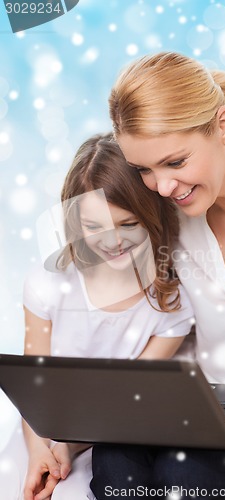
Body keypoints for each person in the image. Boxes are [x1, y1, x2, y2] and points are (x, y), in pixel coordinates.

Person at [90, 52, 225, 499]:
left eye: (175, 162)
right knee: (115, 459)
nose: (162, 187)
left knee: (189, 470)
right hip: (203, 411)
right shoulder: (170, 217)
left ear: (224, 125)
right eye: (144, 170)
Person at [0, 134, 194, 500]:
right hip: (41, 432)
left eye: (127, 223)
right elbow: (32, 390)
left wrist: (70, 449)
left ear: (151, 215)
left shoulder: (170, 304)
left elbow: (125, 404)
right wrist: (42, 448)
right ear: (74, 222)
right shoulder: (47, 284)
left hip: (107, 435)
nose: (112, 241)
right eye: (94, 228)